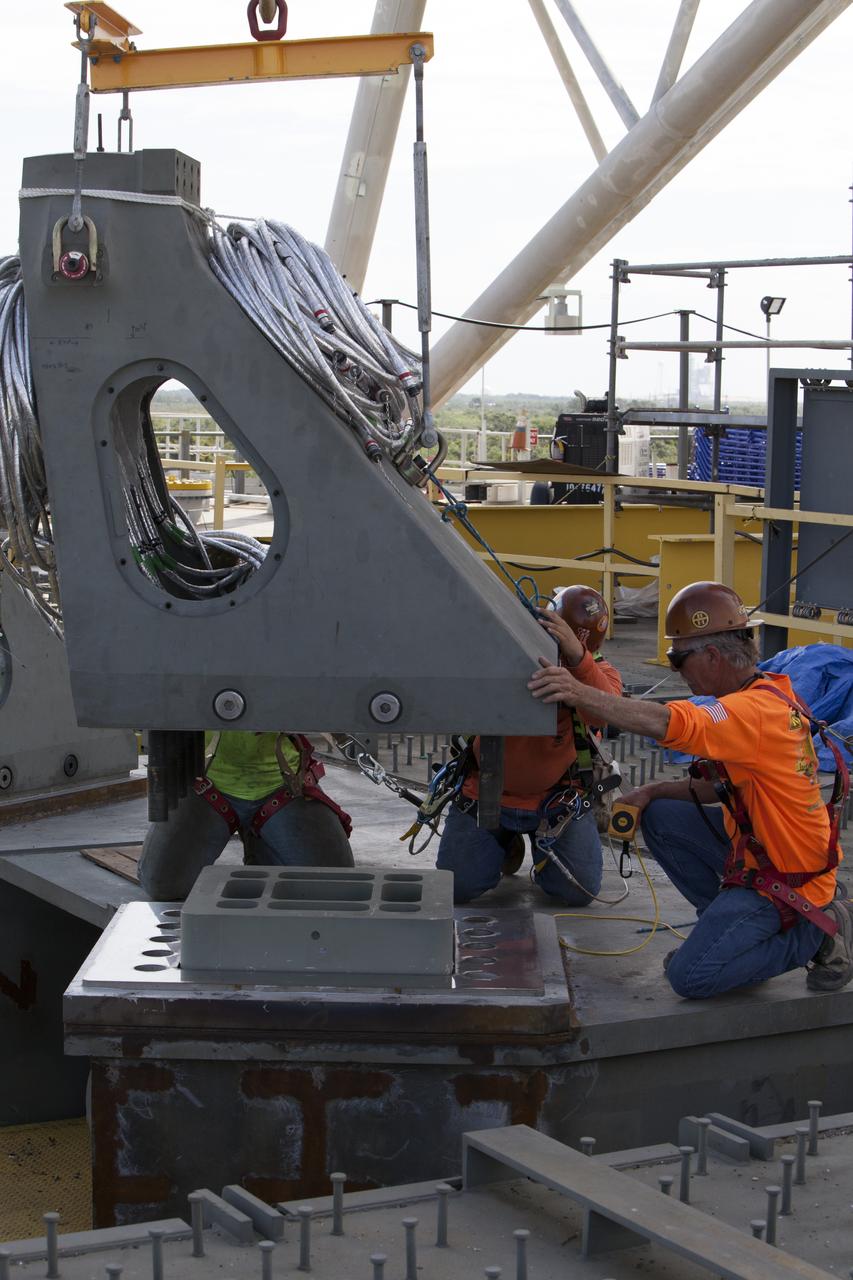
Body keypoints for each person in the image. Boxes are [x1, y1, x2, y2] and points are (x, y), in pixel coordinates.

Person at [528, 580, 853, 998]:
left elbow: (666, 722)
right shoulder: (765, 690)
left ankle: (822, 930)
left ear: (713, 655)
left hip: (787, 878)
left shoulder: (750, 712)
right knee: (661, 815)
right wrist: (652, 792)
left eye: (678, 658)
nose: (674, 669)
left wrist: (578, 692)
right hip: (763, 853)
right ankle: (725, 927)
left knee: (691, 977)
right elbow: (720, 788)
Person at [436, 585, 622, 905]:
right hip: (487, 794)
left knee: (576, 891)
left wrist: (577, 662)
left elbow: (604, 712)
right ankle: (503, 843)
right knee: (457, 887)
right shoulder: (502, 659)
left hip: (558, 802)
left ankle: (543, 849)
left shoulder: (598, 672)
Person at [138, 730, 353, 900]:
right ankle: (262, 837)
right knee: (162, 884)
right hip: (206, 782)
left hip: (283, 784)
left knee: (337, 885)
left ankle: (259, 837)